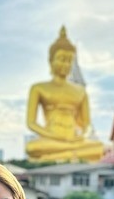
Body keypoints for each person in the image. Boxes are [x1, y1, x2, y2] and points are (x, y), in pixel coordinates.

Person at [25, 26, 104, 162]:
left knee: (99, 147)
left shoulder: (80, 91)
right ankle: (68, 155)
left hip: (74, 139)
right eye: (61, 59)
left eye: (69, 61)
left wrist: (82, 135)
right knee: (32, 147)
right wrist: (54, 136)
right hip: (52, 138)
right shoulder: (38, 88)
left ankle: (56, 156)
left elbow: (87, 124)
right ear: (51, 61)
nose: (66, 64)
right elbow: (31, 123)